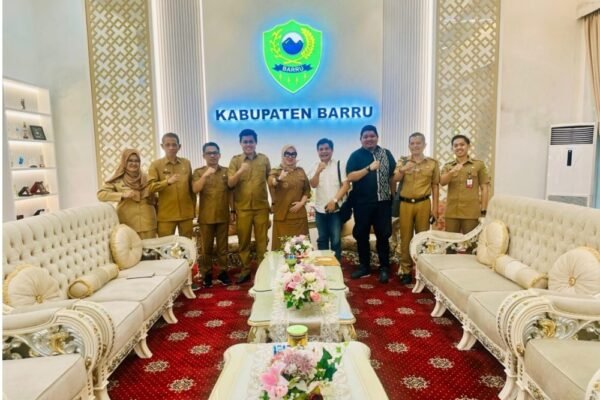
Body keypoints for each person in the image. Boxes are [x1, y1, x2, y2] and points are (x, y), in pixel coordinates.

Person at [346, 125, 396, 283]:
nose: (369, 139)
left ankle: (384, 268)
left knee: (383, 236)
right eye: (365, 136)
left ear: (377, 137)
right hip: (362, 204)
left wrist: (393, 195)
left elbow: (392, 177)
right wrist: (368, 168)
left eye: (372, 136)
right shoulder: (355, 156)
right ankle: (364, 267)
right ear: (361, 139)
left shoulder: (386, 154)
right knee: (362, 236)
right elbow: (350, 177)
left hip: (383, 203)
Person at [392, 132, 440, 285]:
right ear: (409, 145)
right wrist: (403, 170)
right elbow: (394, 179)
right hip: (405, 204)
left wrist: (435, 208)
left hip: (423, 203)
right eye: (412, 143)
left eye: (418, 143)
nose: (415, 146)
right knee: (405, 238)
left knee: (422, 238)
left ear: (424, 145)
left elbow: (435, 185)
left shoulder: (432, 163)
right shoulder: (403, 161)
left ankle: (421, 271)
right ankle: (406, 270)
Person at [228, 129, 271, 284]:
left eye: (251, 141)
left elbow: (270, 181)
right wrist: (240, 171)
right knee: (244, 241)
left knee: (262, 241)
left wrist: (273, 202)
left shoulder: (264, 159)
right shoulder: (235, 161)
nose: (248, 144)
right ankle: (245, 270)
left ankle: (262, 271)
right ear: (240, 143)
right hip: (243, 208)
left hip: (261, 208)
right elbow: (230, 184)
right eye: (245, 142)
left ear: (255, 142)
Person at [192, 142, 232, 287]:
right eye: (209, 153)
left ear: (219, 155)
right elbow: (195, 189)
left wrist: (233, 210)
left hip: (223, 215)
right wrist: (205, 175)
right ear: (204, 156)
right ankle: (206, 273)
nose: (212, 155)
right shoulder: (198, 172)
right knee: (206, 248)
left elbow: (232, 193)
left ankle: (223, 273)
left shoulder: (226, 171)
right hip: (206, 216)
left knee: (223, 248)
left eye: (215, 153)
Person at [97, 149, 157, 239]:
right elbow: (101, 195)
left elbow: (156, 198)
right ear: (124, 162)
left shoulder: (147, 178)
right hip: (127, 224)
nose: (134, 163)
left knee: (151, 247)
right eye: (130, 160)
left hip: (148, 223)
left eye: (137, 161)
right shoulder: (117, 180)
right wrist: (122, 195)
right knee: (130, 248)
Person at [308, 138, 350, 261]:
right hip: (320, 210)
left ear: (332, 150)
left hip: (335, 210)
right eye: (321, 149)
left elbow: (346, 185)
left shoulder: (340, 164)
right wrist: (317, 172)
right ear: (317, 151)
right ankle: (324, 266)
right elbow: (313, 185)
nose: (324, 151)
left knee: (336, 241)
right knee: (322, 240)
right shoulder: (314, 166)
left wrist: (334, 201)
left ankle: (336, 266)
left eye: (327, 149)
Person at [147, 133, 195, 238]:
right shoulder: (156, 165)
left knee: (187, 244)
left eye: (174, 144)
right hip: (166, 215)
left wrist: (193, 210)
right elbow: (150, 187)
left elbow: (191, 189)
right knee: (165, 245)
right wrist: (167, 182)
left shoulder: (186, 163)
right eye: (167, 145)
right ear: (162, 146)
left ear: (179, 146)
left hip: (186, 214)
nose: (171, 147)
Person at [440, 134, 490, 233]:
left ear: (468, 146)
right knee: (450, 241)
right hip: (452, 213)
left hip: (471, 213)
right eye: (455, 145)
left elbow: (485, 188)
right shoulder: (448, 166)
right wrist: (452, 171)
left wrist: (484, 209)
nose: (459, 147)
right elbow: (442, 182)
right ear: (452, 148)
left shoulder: (478, 165)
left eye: (462, 145)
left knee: (471, 241)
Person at [268, 145, 311, 251]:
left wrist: (301, 203)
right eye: (287, 154)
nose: (290, 156)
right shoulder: (276, 171)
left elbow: (307, 190)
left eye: (293, 154)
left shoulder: (300, 171)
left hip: (299, 216)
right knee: (282, 249)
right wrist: (279, 178)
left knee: (301, 249)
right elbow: (271, 183)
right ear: (282, 155)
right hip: (283, 218)